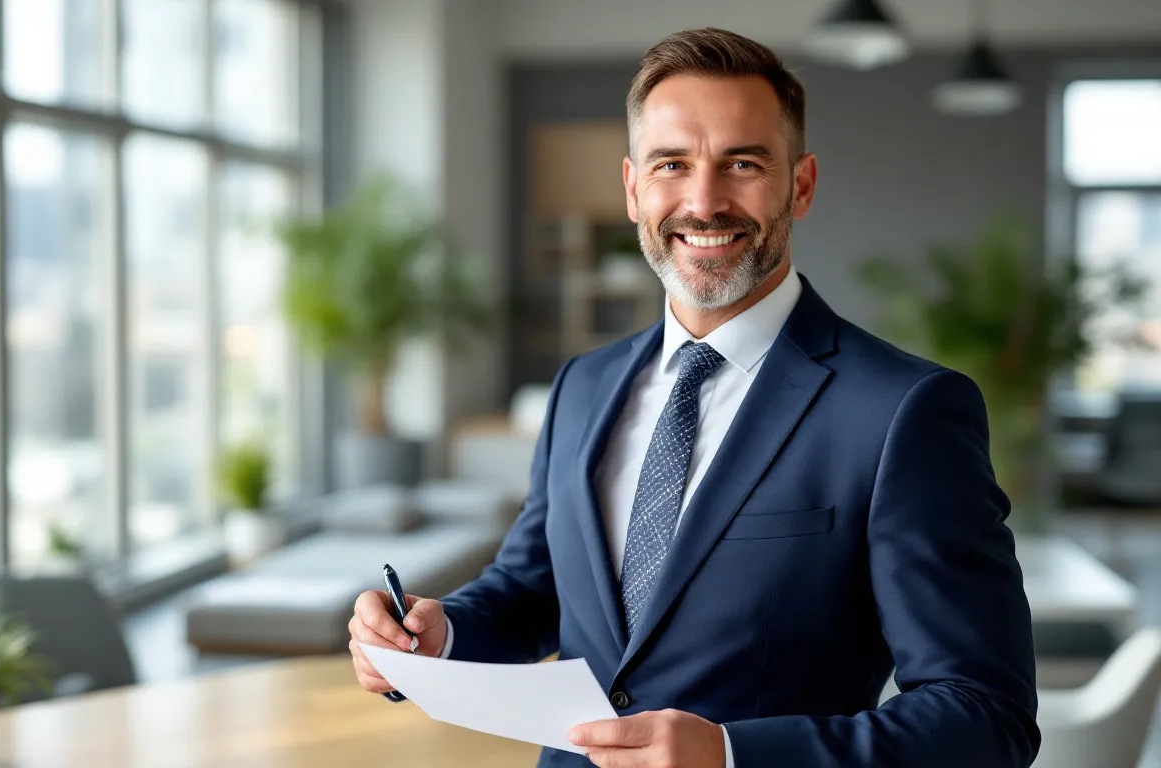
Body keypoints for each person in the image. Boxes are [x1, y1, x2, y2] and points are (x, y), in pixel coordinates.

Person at [347, 27, 1038, 768]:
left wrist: (733, 754)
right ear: (633, 186)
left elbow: (983, 714)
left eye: (742, 163)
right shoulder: (584, 386)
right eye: (671, 164)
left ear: (799, 185)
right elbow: (536, 590)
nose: (704, 202)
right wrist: (433, 635)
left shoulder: (905, 411)